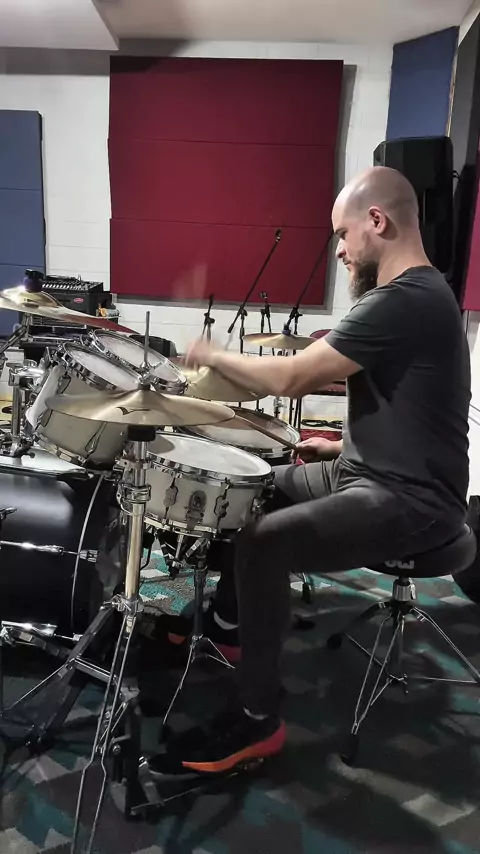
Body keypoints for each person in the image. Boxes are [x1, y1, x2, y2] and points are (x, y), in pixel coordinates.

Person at [150, 166, 471, 776]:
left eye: (343, 235)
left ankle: (257, 720)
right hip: (368, 474)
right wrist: (343, 446)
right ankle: (229, 628)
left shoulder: (406, 298)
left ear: (377, 221)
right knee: (251, 491)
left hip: (413, 501)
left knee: (266, 541)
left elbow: (296, 376)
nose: (341, 251)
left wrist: (212, 354)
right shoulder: (420, 296)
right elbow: (410, 407)